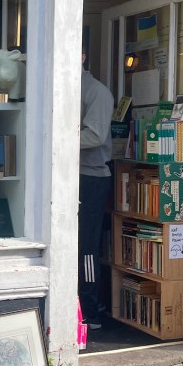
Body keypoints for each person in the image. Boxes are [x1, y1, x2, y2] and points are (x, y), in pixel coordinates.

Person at [79, 48, 115, 330]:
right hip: (74, 174)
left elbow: (95, 136)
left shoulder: (97, 92)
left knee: (87, 245)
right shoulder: (69, 89)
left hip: (91, 177)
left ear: (82, 55)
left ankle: (90, 311)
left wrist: (56, 137)